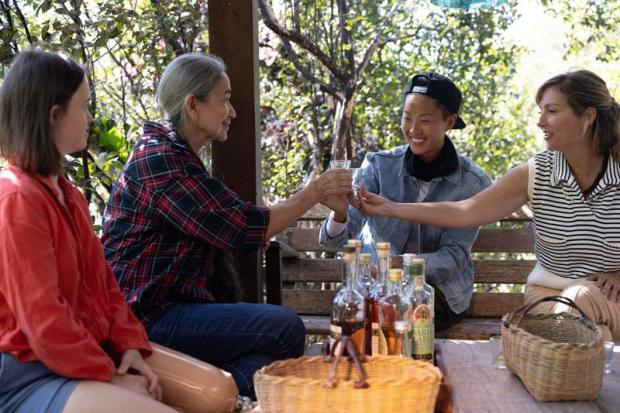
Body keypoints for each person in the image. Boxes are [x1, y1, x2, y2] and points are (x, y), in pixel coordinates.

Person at [0, 49, 240, 413]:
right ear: (54, 116)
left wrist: (130, 347)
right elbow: (45, 324)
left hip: (89, 348)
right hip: (29, 370)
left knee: (218, 393)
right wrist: (110, 375)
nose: (90, 117)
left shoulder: (68, 196)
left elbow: (106, 289)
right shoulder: (17, 199)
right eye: (83, 106)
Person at [101, 52, 352, 399]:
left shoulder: (176, 157)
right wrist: (316, 192)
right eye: (226, 100)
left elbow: (237, 222)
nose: (232, 112)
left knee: (262, 363)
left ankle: (220, 399)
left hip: (176, 311)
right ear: (193, 105)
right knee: (284, 327)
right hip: (146, 319)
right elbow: (247, 228)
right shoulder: (161, 162)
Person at [358, 70, 620, 341]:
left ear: (588, 116)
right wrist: (391, 207)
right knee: (594, 335)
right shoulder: (537, 173)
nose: (540, 121)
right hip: (548, 296)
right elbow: (466, 210)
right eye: (540, 111)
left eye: (551, 111)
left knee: (581, 299)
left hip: (612, 299)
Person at [320, 72, 492, 331]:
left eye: (425, 120)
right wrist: (340, 215)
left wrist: (401, 264)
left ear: (449, 122)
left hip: (435, 292)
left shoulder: (472, 183)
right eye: (407, 118)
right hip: (376, 290)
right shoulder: (378, 166)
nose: (413, 130)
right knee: (375, 310)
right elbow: (335, 242)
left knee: (396, 312)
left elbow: (453, 258)